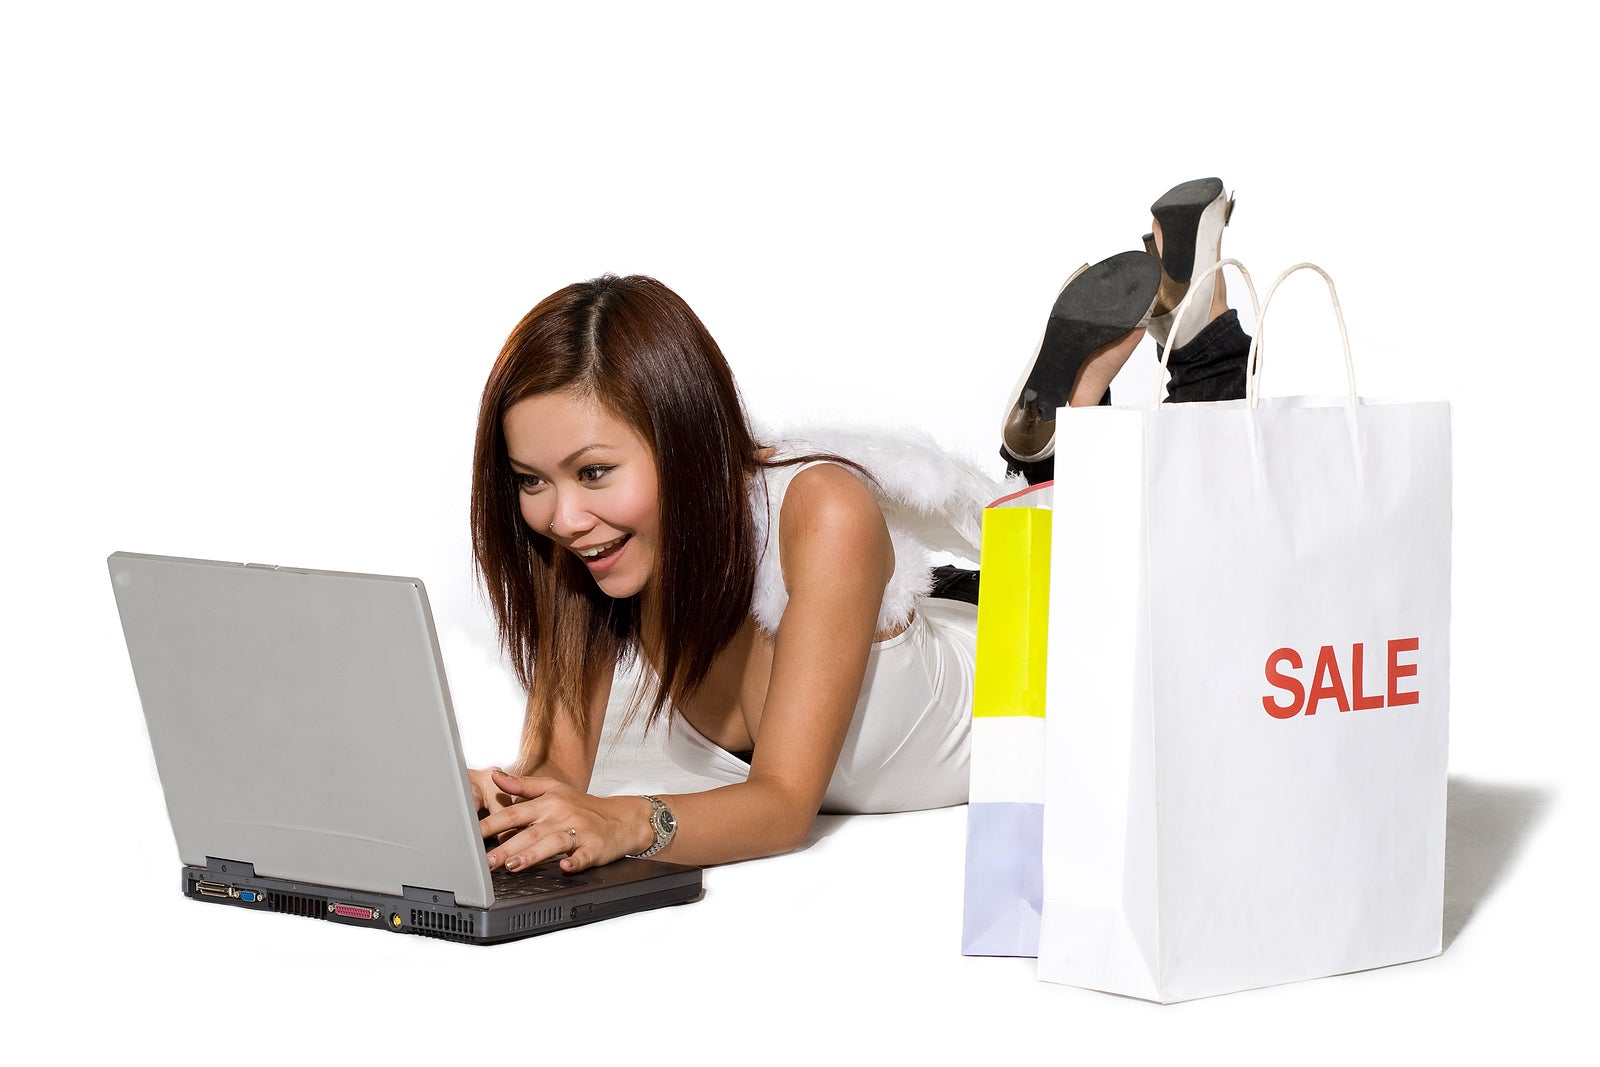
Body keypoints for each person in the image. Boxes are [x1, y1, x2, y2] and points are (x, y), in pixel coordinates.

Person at [468, 177, 1249, 873]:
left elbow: (780, 808)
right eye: (532, 481)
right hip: (914, 609)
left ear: (683, 436)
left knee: (1195, 585)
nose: (562, 517)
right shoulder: (581, 555)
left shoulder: (822, 510)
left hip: (1029, 648)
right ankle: (1068, 429)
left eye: (594, 471)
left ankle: (1195, 330)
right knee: (1125, 550)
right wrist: (494, 807)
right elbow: (554, 780)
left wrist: (628, 822)